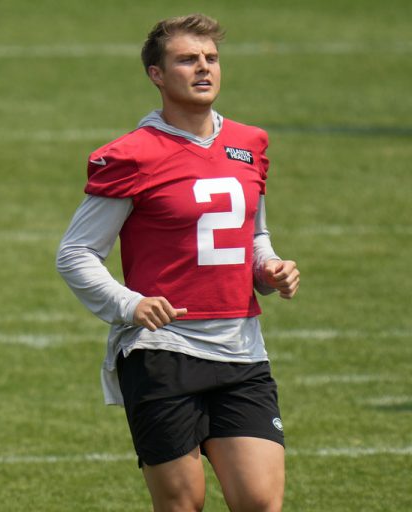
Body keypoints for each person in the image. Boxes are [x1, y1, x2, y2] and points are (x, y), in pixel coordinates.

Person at [56, 14, 299, 512]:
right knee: (182, 505)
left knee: (261, 502)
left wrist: (270, 268)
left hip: (241, 348)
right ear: (156, 74)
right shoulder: (131, 155)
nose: (203, 68)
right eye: (187, 59)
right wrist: (130, 304)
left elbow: (254, 235)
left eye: (211, 59)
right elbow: (76, 252)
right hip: (163, 352)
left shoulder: (250, 143)